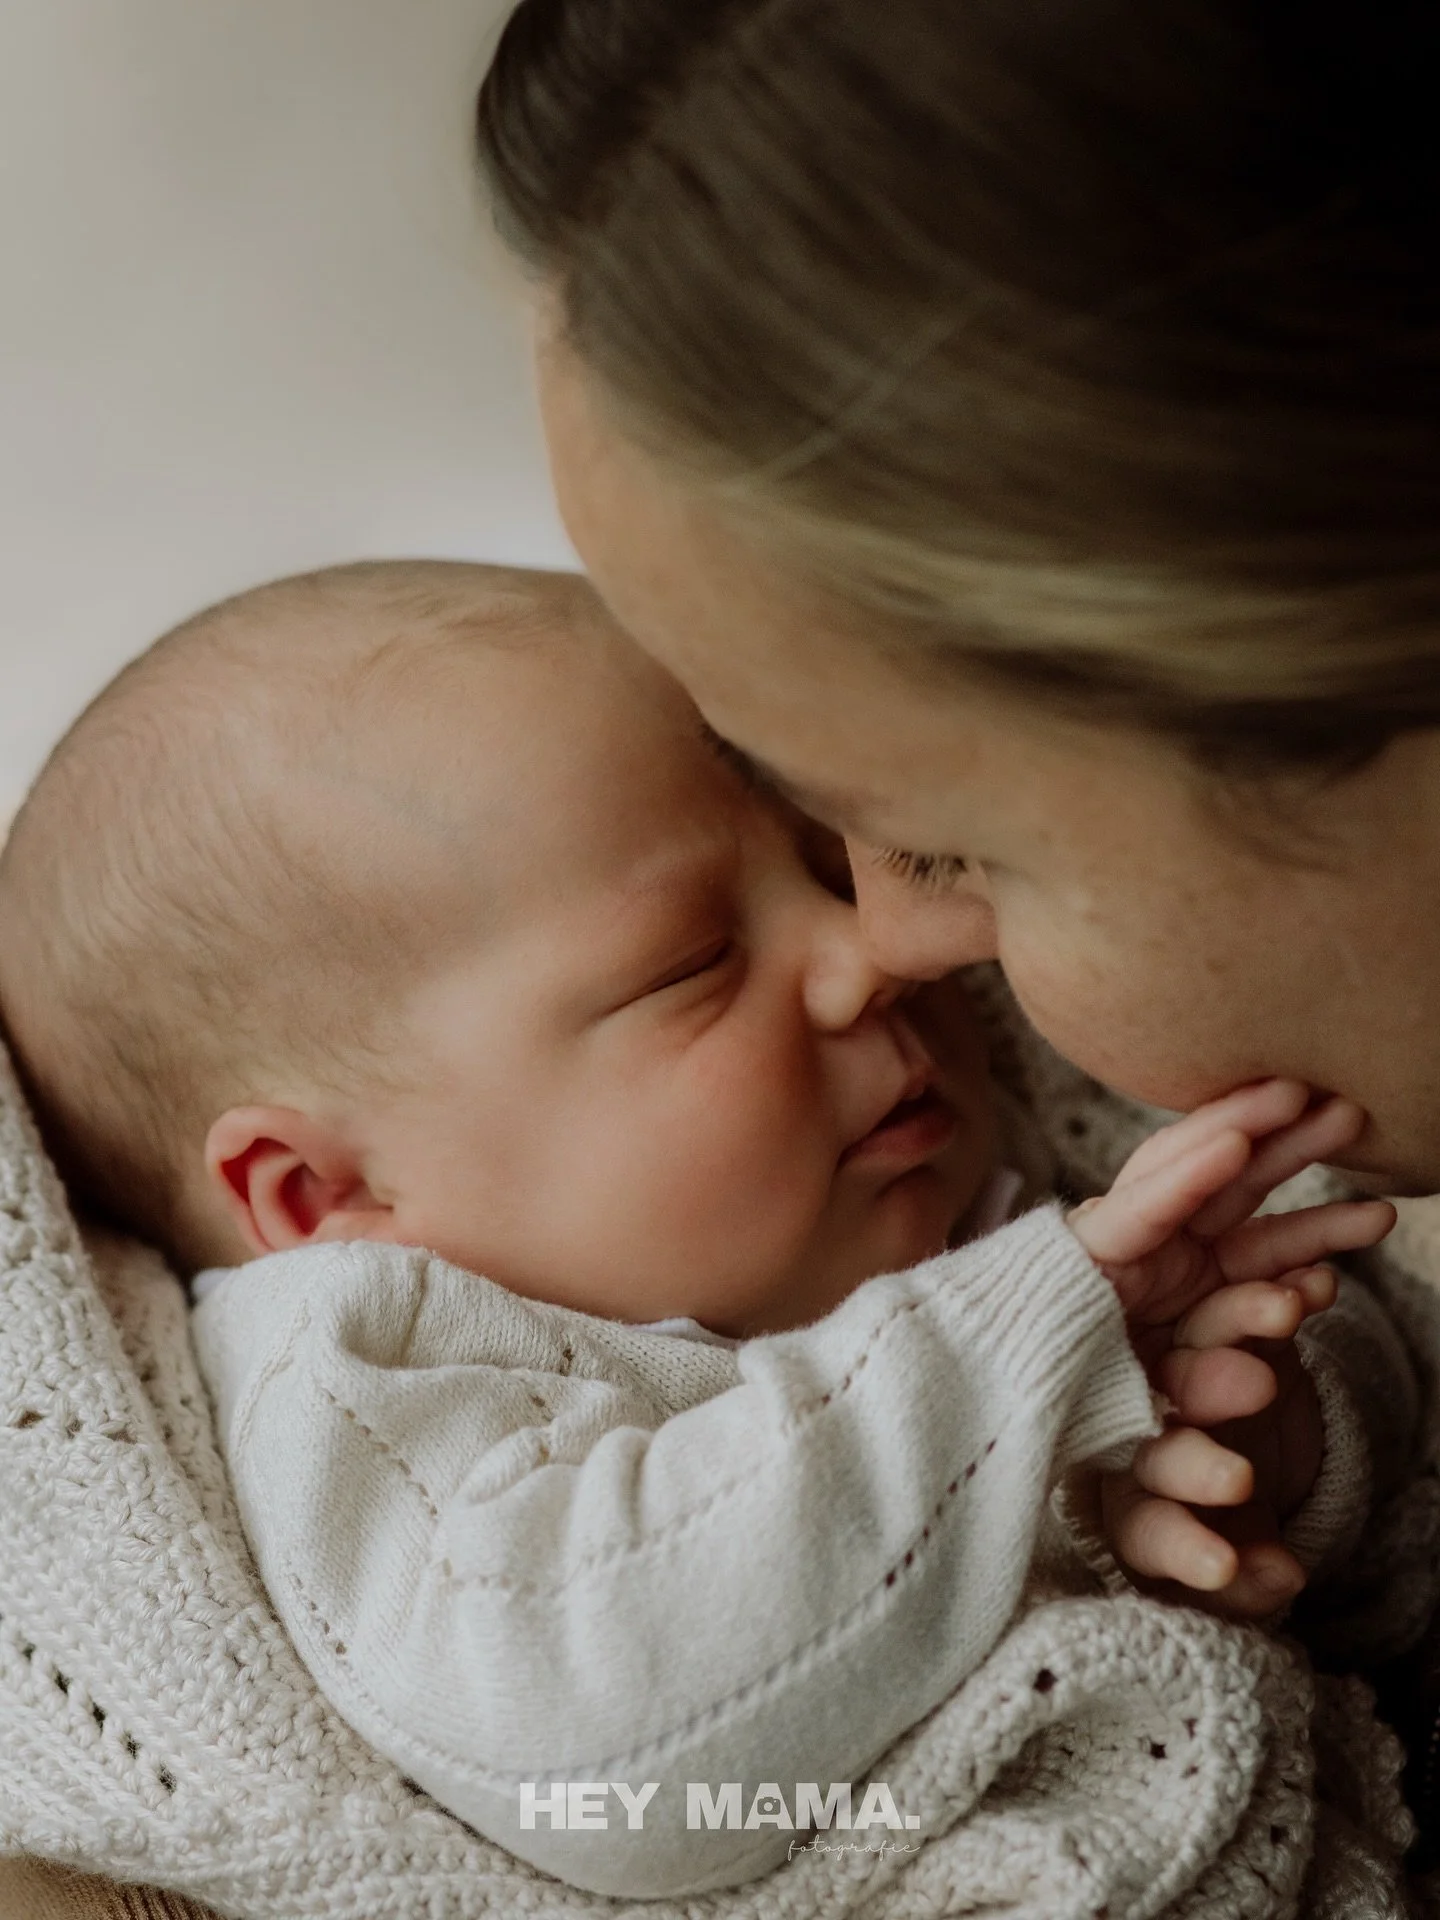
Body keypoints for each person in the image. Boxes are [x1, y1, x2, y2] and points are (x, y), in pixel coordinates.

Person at [0, 559, 1401, 1901]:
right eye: (693, 965)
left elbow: (1358, 1278)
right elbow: (601, 1756)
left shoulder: (946, 1128)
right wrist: (1012, 1354)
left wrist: (1263, 1439)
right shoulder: (370, 1392)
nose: (870, 954)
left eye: (828, 864)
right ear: (321, 1199)